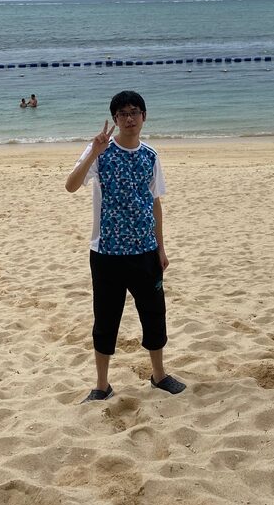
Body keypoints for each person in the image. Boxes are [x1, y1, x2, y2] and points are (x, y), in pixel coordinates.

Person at [65, 90, 185, 402]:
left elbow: (155, 203)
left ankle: (159, 376)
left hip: (145, 251)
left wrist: (161, 248)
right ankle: (102, 385)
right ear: (115, 120)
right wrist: (93, 151)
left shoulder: (151, 156)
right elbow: (71, 185)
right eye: (122, 114)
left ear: (144, 116)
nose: (129, 118)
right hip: (106, 253)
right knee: (106, 319)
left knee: (154, 314)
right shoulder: (100, 151)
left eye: (134, 112)